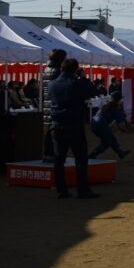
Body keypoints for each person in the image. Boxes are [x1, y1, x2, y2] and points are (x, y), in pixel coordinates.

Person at [48, 58, 101, 199]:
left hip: (57, 124)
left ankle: (62, 189)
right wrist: (83, 78)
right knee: (80, 158)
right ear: (76, 69)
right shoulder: (76, 83)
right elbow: (92, 92)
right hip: (74, 124)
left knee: (59, 159)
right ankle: (82, 189)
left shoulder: (52, 84)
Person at [89, 86, 130, 160]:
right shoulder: (116, 108)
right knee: (107, 142)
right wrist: (125, 129)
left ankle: (120, 153)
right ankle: (93, 154)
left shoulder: (107, 104)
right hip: (101, 124)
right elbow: (121, 124)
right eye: (121, 99)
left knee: (111, 138)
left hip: (93, 123)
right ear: (119, 99)